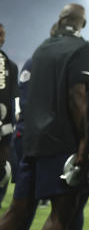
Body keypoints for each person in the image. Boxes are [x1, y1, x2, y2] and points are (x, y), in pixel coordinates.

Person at [0, 5, 89, 230]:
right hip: (60, 140)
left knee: (19, 209)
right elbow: (77, 96)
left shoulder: (42, 48)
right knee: (61, 213)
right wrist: (84, 141)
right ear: (82, 23)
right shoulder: (81, 47)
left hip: (32, 141)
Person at [0, 24, 20, 208]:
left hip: (4, 127)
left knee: (3, 165)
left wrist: (14, 120)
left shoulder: (10, 65)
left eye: (3, 34)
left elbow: (15, 95)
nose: (2, 37)